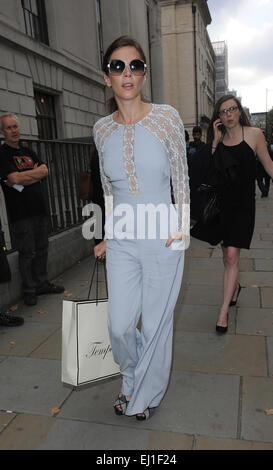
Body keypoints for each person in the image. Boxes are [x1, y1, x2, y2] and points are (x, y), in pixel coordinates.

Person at [92, 36, 190, 420]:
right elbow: (107, 189)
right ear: (107, 77)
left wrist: (181, 228)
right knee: (119, 325)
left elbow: (181, 180)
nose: (127, 73)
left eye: (135, 65)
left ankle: (143, 394)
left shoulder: (167, 117)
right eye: (118, 67)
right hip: (122, 238)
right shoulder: (101, 129)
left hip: (164, 235)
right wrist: (105, 235)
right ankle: (131, 376)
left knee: (155, 324)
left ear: (145, 72)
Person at [190, 94, 273, 333]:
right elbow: (204, 170)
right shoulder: (219, 139)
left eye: (232, 109)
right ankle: (234, 288)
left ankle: (223, 312)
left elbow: (268, 164)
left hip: (243, 207)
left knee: (232, 256)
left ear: (239, 111)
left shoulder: (254, 135)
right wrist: (214, 141)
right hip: (221, 206)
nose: (228, 114)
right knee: (227, 255)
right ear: (219, 117)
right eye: (223, 111)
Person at [0, 113, 64, 306]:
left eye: (15, 127)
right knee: (27, 253)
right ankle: (29, 289)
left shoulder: (28, 151)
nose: (14, 131)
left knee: (42, 249)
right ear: (3, 132)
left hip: (40, 208)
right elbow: (14, 179)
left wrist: (25, 175)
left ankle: (42, 283)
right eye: (9, 128)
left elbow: (45, 170)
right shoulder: (2, 154)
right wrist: (32, 175)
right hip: (21, 213)